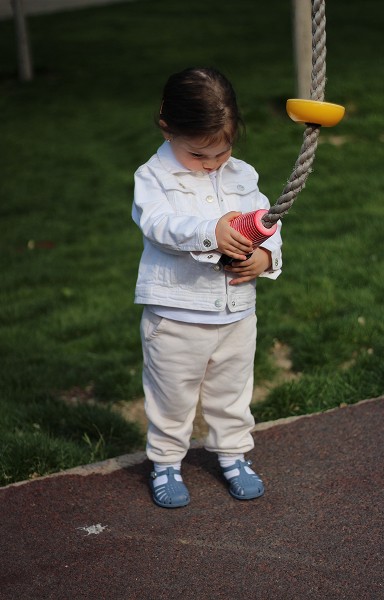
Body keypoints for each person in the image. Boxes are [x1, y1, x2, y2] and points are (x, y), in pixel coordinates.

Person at [132, 67, 282, 508]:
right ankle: (165, 462)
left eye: (223, 151)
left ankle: (233, 454)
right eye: (198, 154)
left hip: (237, 314)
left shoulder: (243, 175)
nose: (213, 163)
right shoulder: (153, 177)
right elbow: (159, 225)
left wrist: (266, 256)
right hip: (176, 317)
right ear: (167, 128)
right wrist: (209, 232)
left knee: (232, 393)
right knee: (171, 396)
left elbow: (266, 221)